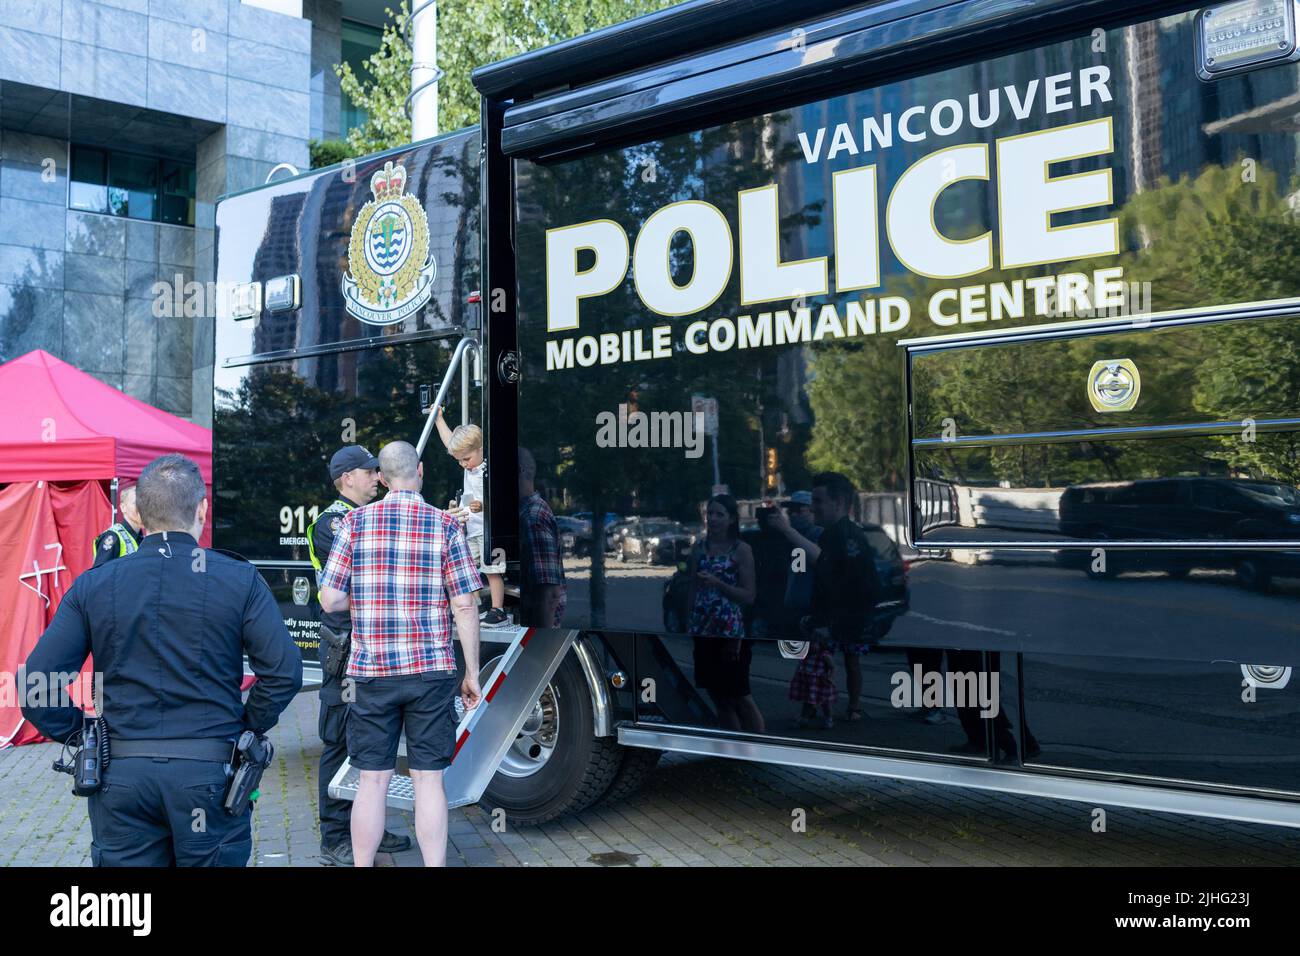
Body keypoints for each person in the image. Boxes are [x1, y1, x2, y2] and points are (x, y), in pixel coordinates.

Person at [20, 453, 303, 866]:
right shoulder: (238, 578)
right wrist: (246, 725)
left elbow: (35, 684)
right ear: (202, 509)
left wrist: (83, 736)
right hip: (208, 775)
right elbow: (284, 673)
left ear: (141, 516)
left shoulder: (95, 584)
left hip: (121, 778)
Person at [318, 441, 482, 867]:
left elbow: (330, 599)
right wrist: (473, 673)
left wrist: (367, 599)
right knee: (429, 781)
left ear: (384, 478)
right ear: (421, 471)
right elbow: (465, 603)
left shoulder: (353, 523)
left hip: (371, 673)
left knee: (372, 780)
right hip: (431, 671)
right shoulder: (445, 525)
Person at [307, 445, 411, 866]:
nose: (376, 478)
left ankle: (368, 826)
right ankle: (335, 837)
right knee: (338, 742)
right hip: (344, 648)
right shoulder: (331, 522)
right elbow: (360, 578)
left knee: (374, 744)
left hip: (371, 647)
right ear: (347, 477)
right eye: (369, 472)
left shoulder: (365, 518)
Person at [803, 471, 880, 723]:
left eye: (817, 501)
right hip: (835, 616)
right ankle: (818, 706)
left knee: (846, 660)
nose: (812, 508)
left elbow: (852, 583)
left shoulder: (848, 536)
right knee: (820, 660)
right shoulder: (830, 534)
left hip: (845, 617)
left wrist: (830, 620)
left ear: (837, 503)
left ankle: (849, 707)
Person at [687, 494, 762, 733]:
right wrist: (687, 620)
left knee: (740, 695)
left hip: (731, 633)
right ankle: (733, 747)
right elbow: (691, 587)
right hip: (703, 629)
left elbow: (749, 595)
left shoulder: (741, 550)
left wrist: (718, 584)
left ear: (731, 519)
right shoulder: (699, 549)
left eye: (720, 514)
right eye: (710, 513)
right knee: (718, 695)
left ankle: (760, 748)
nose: (713, 519)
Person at [434, 408, 508, 625]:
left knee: (493, 571)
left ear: (481, 449)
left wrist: (483, 506)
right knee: (466, 569)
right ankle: (475, 606)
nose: (463, 464)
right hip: (472, 528)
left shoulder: (489, 468)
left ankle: (498, 609)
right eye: (459, 461)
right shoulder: (469, 465)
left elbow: (501, 499)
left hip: (491, 531)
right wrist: (439, 419)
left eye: (466, 459)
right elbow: (450, 442)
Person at [517, 447, 566, 628]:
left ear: (518, 470)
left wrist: (539, 641)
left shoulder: (533, 517)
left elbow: (549, 594)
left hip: (537, 630)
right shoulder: (529, 512)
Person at [91, 484, 142, 567]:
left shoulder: (143, 537)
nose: (141, 507)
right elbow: (101, 575)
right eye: (135, 503)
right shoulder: (113, 537)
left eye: (143, 503)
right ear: (123, 507)